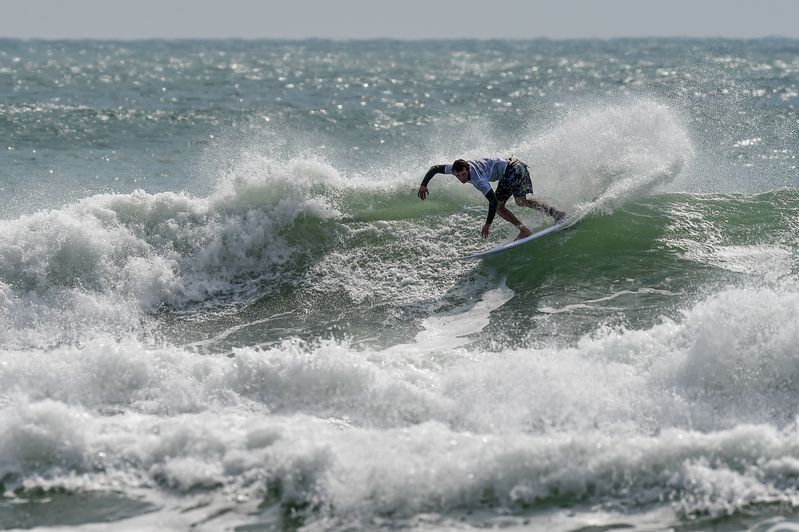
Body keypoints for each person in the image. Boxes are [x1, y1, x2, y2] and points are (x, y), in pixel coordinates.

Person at [417, 157, 566, 240]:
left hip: (512, 171)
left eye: (463, 174)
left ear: (467, 168)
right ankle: (556, 213)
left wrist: (487, 224)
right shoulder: (455, 167)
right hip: (518, 165)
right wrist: (424, 184)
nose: (461, 178)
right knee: (521, 201)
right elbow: (435, 168)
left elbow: (493, 201)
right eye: (458, 176)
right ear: (453, 172)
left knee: (499, 208)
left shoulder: (479, 180)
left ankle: (524, 230)